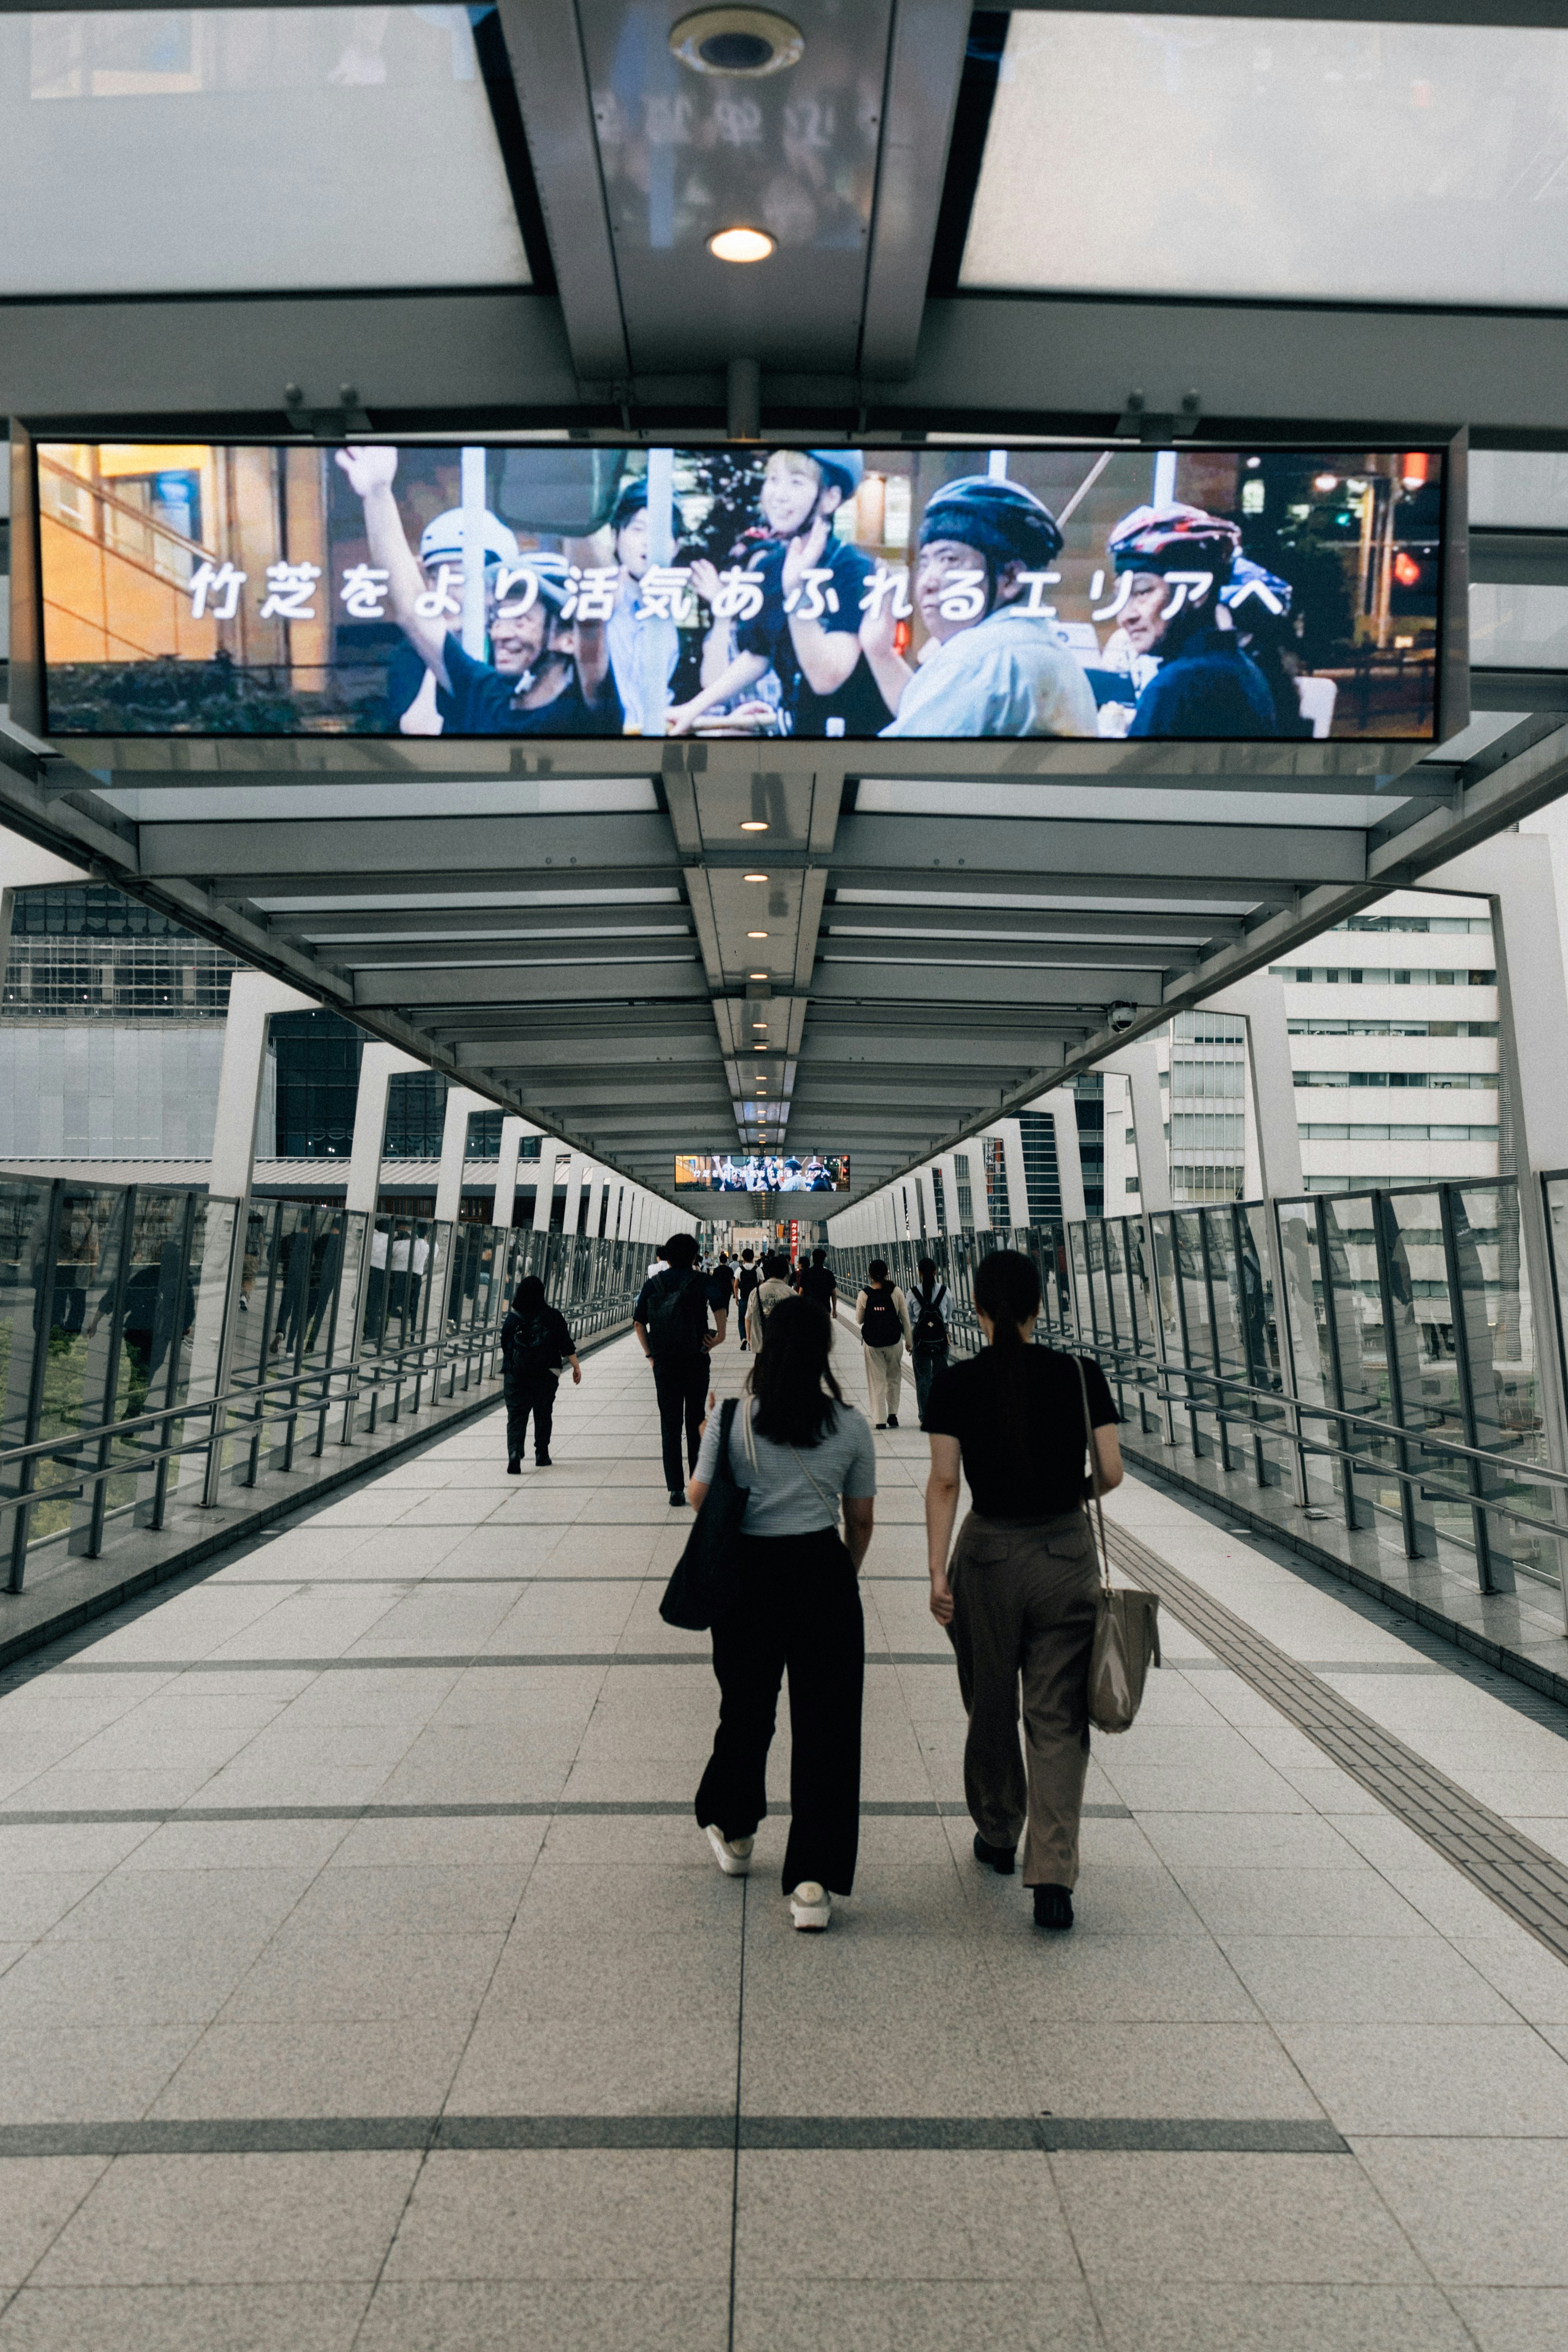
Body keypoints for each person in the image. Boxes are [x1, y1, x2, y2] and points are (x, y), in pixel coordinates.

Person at [924, 1249, 1123, 1934]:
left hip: (987, 1555)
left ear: (976, 1308)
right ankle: (1052, 1876)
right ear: (1039, 1305)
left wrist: (935, 1571)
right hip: (1065, 1552)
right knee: (1056, 1716)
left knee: (989, 1701)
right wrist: (1074, 1495)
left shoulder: (954, 1383)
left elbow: (945, 1482)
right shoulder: (1078, 1373)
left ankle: (999, 1831)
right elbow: (1111, 1471)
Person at [689, 1294, 877, 1931]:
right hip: (821, 1572)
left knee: (745, 1706)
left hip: (747, 1577)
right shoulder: (848, 1424)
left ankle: (737, 1834)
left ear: (764, 1345)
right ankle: (812, 1885)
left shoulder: (734, 1416)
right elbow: (860, 1519)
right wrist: (839, 1575)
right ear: (826, 1350)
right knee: (826, 1725)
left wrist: (703, 1439)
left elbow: (699, 1498)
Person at [335, 444, 623, 736]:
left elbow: (589, 615)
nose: (500, 633)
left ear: (566, 639)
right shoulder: (486, 693)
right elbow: (413, 611)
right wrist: (377, 494)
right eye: (498, 618)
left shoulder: (587, 706)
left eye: (521, 619)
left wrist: (579, 500)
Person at [668, 451, 893, 738]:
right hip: (795, 735)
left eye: (796, 483)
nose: (778, 494)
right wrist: (694, 708)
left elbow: (826, 677)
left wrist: (797, 591)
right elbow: (758, 655)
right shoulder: (771, 565)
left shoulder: (854, 569)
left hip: (853, 741)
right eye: (773, 480)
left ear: (830, 498)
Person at [863, 476, 1097, 740]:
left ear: (1010, 578)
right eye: (926, 562)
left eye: (949, 559)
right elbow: (927, 718)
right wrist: (880, 651)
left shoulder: (982, 657)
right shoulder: (1036, 643)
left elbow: (896, 761)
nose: (927, 582)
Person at [1104, 503, 1277, 738]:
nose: (1127, 616)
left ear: (1197, 590)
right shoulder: (1240, 669)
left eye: (1143, 591)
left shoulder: (1177, 685)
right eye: (1120, 597)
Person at [385, 505, 521, 734]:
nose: (442, 591)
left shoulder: (515, 655)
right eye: (435, 577)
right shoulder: (410, 656)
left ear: (497, 588)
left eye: (458, 578)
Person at [634, 1232, 725, 1504]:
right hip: (696, 1360)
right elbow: (720, 1310)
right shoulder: (703, 1280)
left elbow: (638, 1323)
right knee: (696, 1419)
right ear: (695, 1256)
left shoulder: (653, 1284)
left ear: (667, 1257)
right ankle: (698, 1482)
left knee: (670, 1424)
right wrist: (717, 1338)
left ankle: (675, 1489)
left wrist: (651, 1355)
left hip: (665, 1363)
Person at [603, 479, 680, 734]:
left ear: (676, 546)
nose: (650, 542)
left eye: (661, 532)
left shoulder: (669, 613)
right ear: (615, 537)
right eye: (638, 529)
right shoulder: (598, 602)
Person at [499, 1273, 580, 1470]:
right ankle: (541, 1454)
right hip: (546, 1373)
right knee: (543, 1413)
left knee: (516, 1415)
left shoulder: (513, 1318)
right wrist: (576, 1367)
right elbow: (566, 1345)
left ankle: (515, 1452)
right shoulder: (552, 1316)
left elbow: (506, 1345)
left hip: (517, 1374)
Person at [855, 1258, 912, 1430]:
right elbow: (905, 1319)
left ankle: (880, 1420)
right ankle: (893, 1415)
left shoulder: (864, 1294)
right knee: (894, 1378)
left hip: (873, 1344)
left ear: (870, 1275)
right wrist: (909, 1341)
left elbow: (859, 1320)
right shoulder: (896, 1291)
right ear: (887, 1273)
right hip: (894, 1342)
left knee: (877, 1380)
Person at [907, 1256, 951, 1429]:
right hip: (941, 1340)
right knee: (939, 1378)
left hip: (921, 1341)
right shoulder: (945, 1291)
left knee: (922, 1379)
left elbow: (911, 1319)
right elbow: (948, 1316)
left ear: (919, 1273)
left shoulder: (912, 1292)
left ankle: (924, 1415)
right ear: (935, 1272)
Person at [745, 1252, 794, 1350]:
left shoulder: (756, 1292)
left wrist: (749, 1339)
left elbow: (748, 1318)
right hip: (784, 1350)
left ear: (768, 1271)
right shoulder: (792, 1294)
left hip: (761, 1347)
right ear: (786, 1272)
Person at [798, 1247, 837, 1321]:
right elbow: (834, 1294)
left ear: (812, 1259)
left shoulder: (806, 1273)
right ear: (825, 1260)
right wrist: (834, 1310)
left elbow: (801, 1292)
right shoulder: (829, 1274)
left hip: (809, 1309)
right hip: (825, 1309)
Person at [735, 1249, 760, 1350]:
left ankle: (744, 1338)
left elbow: (736, 1285)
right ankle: (751, 1340)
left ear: (743, 1258)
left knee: (742, 1320)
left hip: (743, 1298)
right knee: (754, 1320)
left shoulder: (740, 1270)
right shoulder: (758, 1269)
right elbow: (762, 1283)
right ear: (753, 1257)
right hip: (755, 1298)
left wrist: (737, 1297)